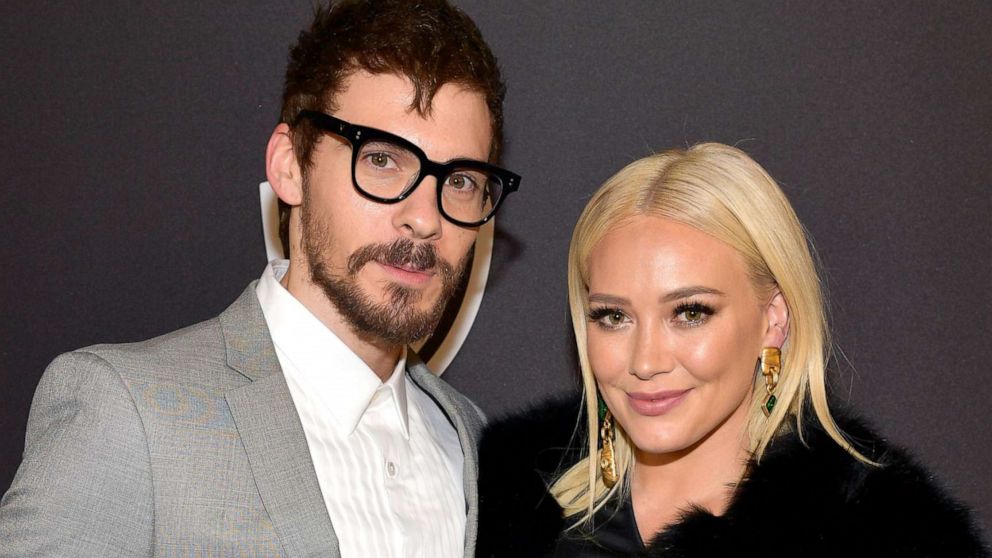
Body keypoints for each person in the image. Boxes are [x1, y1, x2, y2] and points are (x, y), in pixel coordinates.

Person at [0, 1, 519, 556]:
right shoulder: (128, 413)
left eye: (462, 180)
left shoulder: (469, 441)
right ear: (290, 166)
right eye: (383, 160)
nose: (424, 217)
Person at [477, 143, 987, 557]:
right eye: (614, 317)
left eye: (690, 312)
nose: (646, 361)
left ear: (774, 319)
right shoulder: (498, 502)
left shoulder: (883, 534)